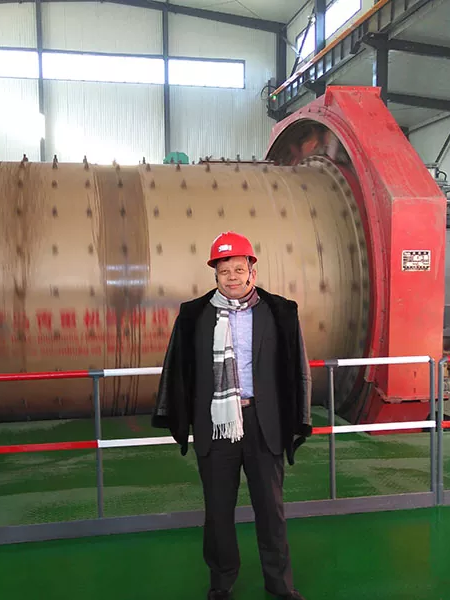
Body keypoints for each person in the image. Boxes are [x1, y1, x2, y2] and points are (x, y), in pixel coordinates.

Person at [152, 231, 312, 600]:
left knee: (271, 510)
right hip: (216, 424)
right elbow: (178, 369)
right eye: (225, 272)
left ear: (252, 271)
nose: (232, 277)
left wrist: (298, 418)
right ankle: (221, 581)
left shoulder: (279, 311)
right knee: (218, 511)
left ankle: (280, 584)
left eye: (239, 270)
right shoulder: (194, 315)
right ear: (216, 275)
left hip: (263, 423)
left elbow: (297, 368)